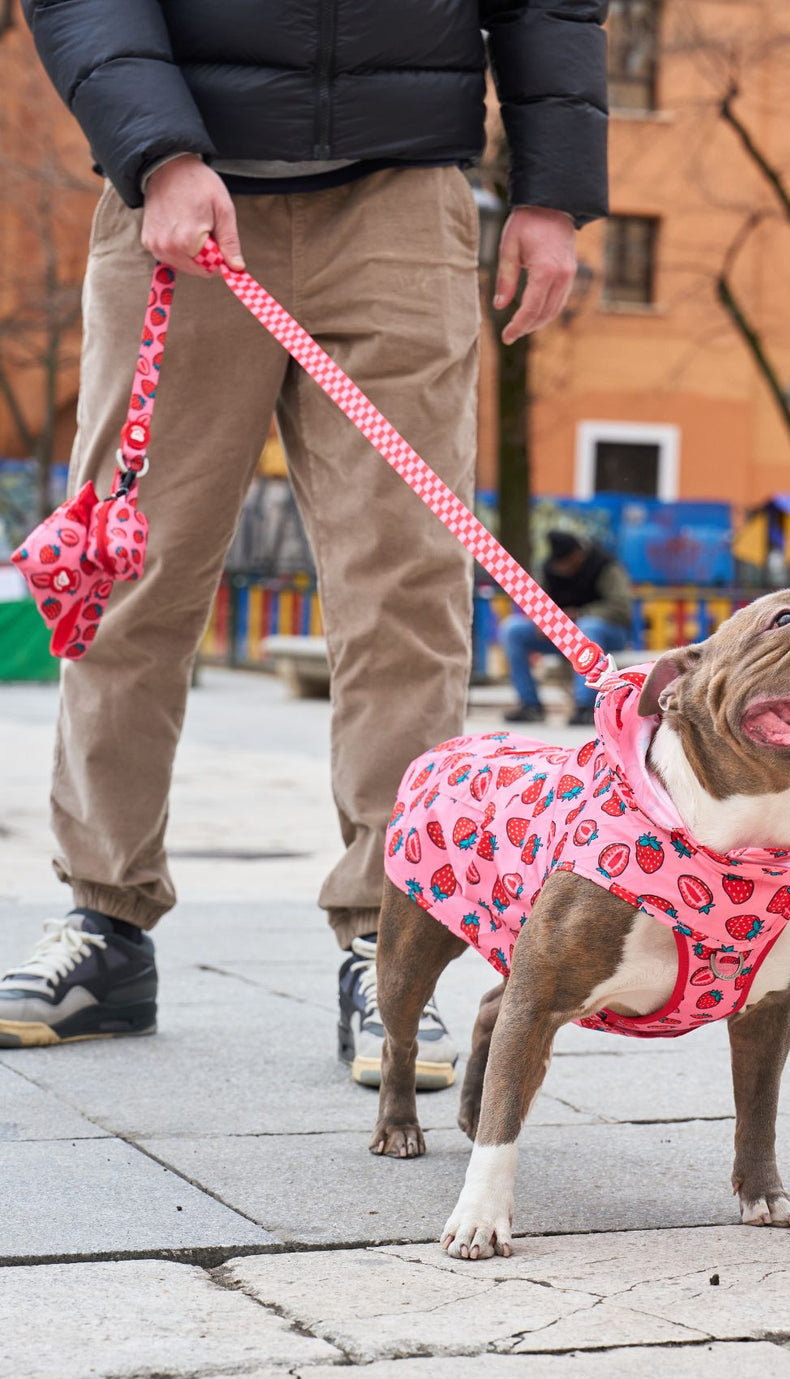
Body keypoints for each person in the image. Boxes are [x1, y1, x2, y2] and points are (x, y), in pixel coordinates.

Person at [0, 2, 608, 1094]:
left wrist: (554, 189)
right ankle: (105, 919)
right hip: (179, 195)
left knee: (407, 587)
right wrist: (159, 148)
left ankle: (396, 941)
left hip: (400, 197)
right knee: (129, 573)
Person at [502, 530, 633, 725]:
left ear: (578, 554)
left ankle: (585, 707)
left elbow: (621, 608)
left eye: (567, 564)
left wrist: (581, 614)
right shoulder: (549, 569)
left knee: (586, 628)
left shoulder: (605, 565)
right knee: (512, 629)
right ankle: (530, 705)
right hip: (564, 636)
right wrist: (542, 620)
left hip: (608, 633)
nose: (563, 570)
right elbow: (542, 603)